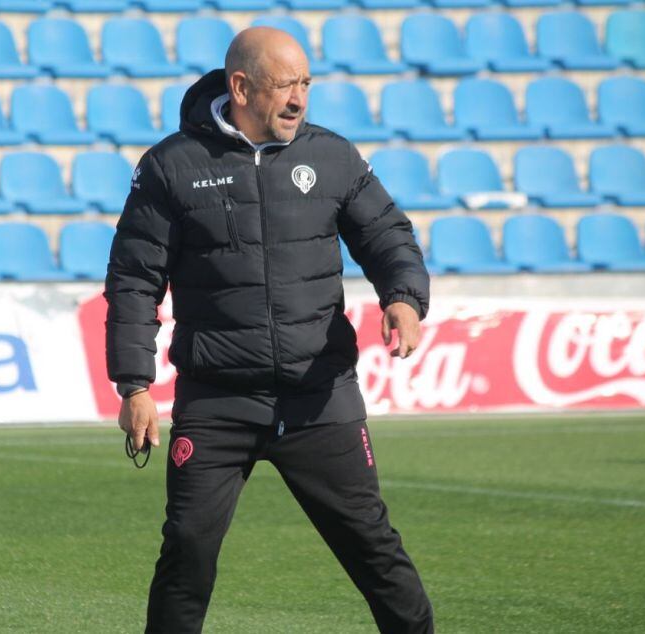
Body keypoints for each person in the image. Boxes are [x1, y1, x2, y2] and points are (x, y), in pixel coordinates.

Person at [105, 26, 434, 634]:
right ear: (241, 87)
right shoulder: (171, 167)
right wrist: (133, 385)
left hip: (320, 396)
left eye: (306, 83)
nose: (299, 99)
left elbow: (388, 237)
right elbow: (133, 281)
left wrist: (405, 298)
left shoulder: (333, 157)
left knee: (373, 548)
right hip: (218, 401)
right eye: (286, 85)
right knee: (188, 550)